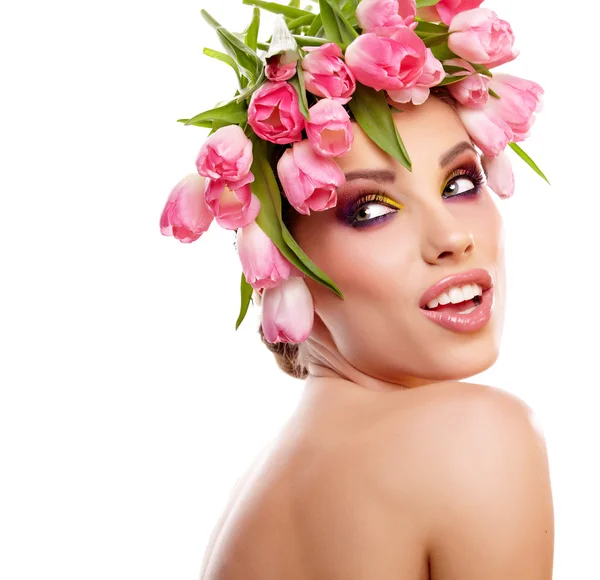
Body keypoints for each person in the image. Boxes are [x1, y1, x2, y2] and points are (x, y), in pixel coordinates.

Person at [160, 1, 554, 577]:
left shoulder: (261, 494)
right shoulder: (474, 438)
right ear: (282, 262)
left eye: (460, 182)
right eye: (371, 210)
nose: (451, 237)